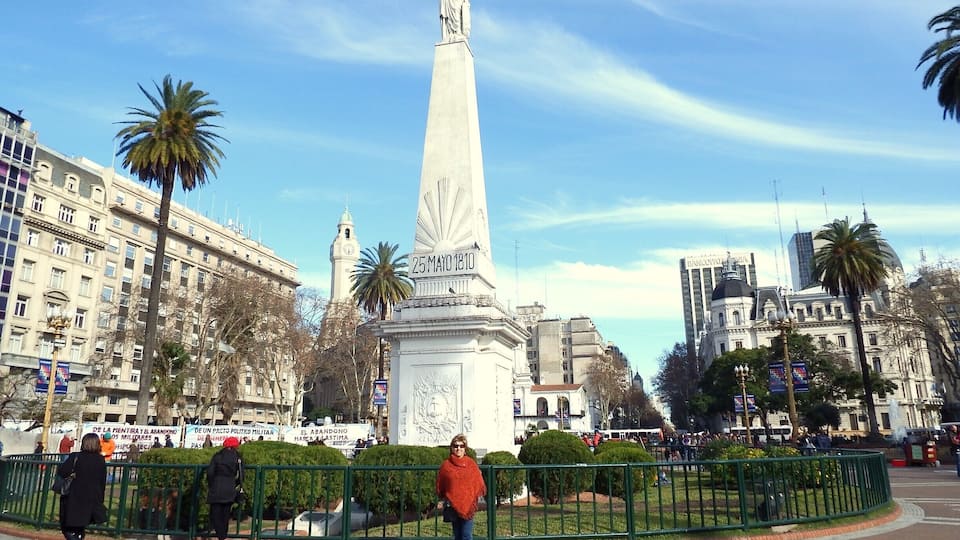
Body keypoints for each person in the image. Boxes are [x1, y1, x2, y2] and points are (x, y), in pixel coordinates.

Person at [57, 433, 107, 540]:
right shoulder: (100, 459)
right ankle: (79, 536)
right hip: (91, 496)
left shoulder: (76, 457)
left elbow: (62, 472)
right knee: (81, 525)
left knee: (68, 526)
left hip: (74, 495)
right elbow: (102, 481)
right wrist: (100, 498)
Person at [436, 434, 486, 540]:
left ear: (465, 448)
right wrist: (444, 497)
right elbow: (442, 484)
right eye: (456, 446)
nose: (458, 448)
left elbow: (478, 482)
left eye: (461, 446)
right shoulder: (446, 465)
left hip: (468, 504)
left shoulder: (471, 464)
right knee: (457, 535)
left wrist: (472, 497)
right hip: (453, 505)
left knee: (466, 535)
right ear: (451, 448)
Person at [207, 436, 243, 540]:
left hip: (216, 486)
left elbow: (210, 473)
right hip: (230, 486)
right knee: (225, 515)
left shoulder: (217, 456)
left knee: (215, 515)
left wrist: (211, 484)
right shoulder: (238, 457)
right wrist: (235, 484)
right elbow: (241, 475)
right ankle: (223, 535)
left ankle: (221, 535)